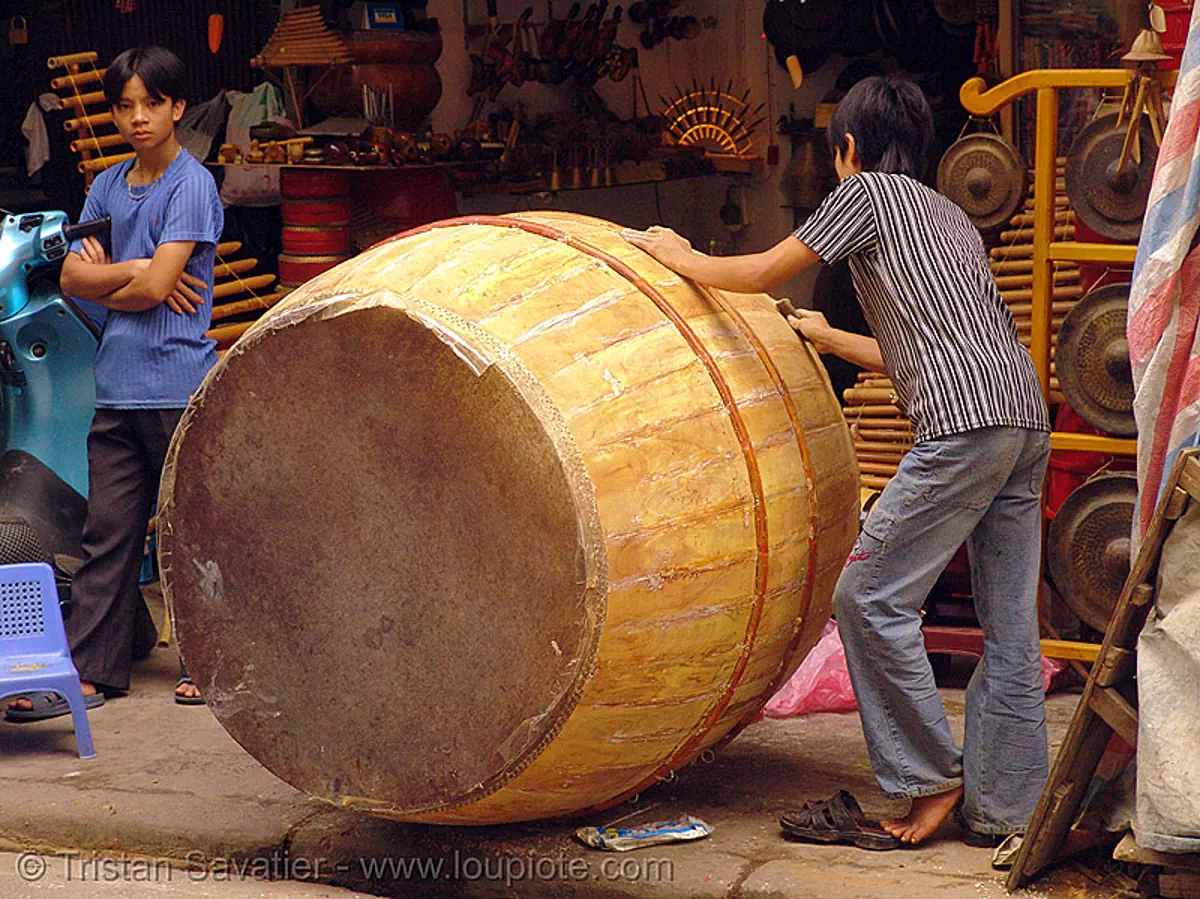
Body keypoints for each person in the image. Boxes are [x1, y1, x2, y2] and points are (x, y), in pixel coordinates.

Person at [623, 75, 1050, 848]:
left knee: (867, 596)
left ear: (847, 148)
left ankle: (928, 778)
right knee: (1013, 625)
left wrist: (678, 254)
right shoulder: (949, 215)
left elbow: (758, 271)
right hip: (1020, 421)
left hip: (962, 427)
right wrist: (824, 336)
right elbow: (925, 349)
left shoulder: (865, 194)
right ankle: (1008, 810)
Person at [7, 46, 222, 719]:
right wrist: (139, 271)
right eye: (125, 106)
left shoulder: (192, 185)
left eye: (151, 104)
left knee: (191, 532)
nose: (138, 117)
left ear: (177, 107)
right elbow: (74, 281)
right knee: (109, 534)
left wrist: (124, 276)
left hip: (179, 387)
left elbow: (162, 286)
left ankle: (209, 664)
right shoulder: (104, 186)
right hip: (117, 386)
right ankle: (96, 668)